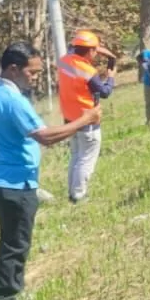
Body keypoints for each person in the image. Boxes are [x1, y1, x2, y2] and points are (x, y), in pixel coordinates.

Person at [0, 42, 102, 300]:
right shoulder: (13, 100)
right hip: (13, 182)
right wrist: (85, 119)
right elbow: (46, 137)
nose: (34, 78)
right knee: (15, 242)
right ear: (13, 69)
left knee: (10, 238)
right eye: (31, 73)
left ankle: (8, 292)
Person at [57, 30, 117, 204]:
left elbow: (74, 49)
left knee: (76, 155)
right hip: (87, 119)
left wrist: (100, 49)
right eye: (95, 50)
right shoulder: (88, 71)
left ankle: (72, 192)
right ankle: (79, 195)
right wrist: (111, 77)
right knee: (86, 158)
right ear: (90, 50)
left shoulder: (64, 62)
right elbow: (105, 92)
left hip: (70, 118)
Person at [137, 47, 150, 126]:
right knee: (149, 102)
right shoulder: (148, 54)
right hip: (149, 82)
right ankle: (149, 120)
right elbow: (139, 57)